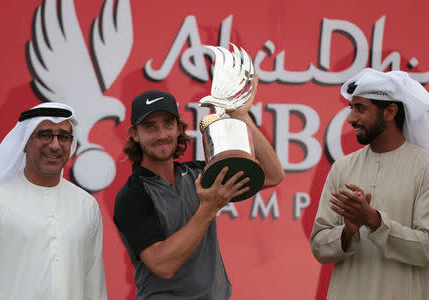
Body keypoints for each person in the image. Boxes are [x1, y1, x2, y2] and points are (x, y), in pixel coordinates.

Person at [113, 75, 284, 299]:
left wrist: (241, 116)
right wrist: (209, 208)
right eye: (150, 127)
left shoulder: (197, 174)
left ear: (178, 128)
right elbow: (163, 264)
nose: (162, 134)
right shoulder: (132, 195)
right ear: (134, 134)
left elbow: (273, 174)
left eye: (168, 124)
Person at [310, 68, 429, 300]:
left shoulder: (424, 166)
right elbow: (318, 246)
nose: (351, 118)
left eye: (360, 109)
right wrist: (347, 232)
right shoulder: (343, 168)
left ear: (390, 112)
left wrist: (373, 220)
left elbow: (425, 248)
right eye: (351, 108)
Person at [0, 102, 107, 300]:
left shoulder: (86, 206)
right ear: (24, 143)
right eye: (45, 134)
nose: (55, 145)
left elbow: (94, 285)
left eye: (63, 137)